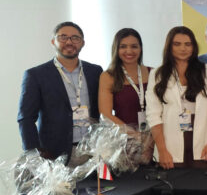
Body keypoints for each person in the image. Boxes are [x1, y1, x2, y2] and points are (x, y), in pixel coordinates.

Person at [18, 21, 103, 159]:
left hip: (93, 150)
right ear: (53, 42)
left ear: (82, 43)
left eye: (75, 38)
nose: (69, 42)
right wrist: (34, 154)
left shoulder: (95, 71)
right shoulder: (36, 75)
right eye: (63, 37)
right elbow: (25, 118)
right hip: (55, 153)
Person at [146, 26, 207, 169]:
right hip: (170, 140)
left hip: (202, 139)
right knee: (174, 180)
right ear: (169, 46)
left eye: (188, 44)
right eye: (177, 44)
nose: (183, 48)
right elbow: (153, 115)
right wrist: (162, 150)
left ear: (194, 47)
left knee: (202, 179)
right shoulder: (157, 74)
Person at [99, 27, 150, 129]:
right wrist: (134, 135)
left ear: (140, 48)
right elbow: (106, 114)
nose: (129, 51)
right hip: (124, 135)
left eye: (134, 46)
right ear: (116, 49)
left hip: (154, 134)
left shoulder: (153, 73)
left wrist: (154, 134)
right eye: (123, 47)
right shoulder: (108, 76)